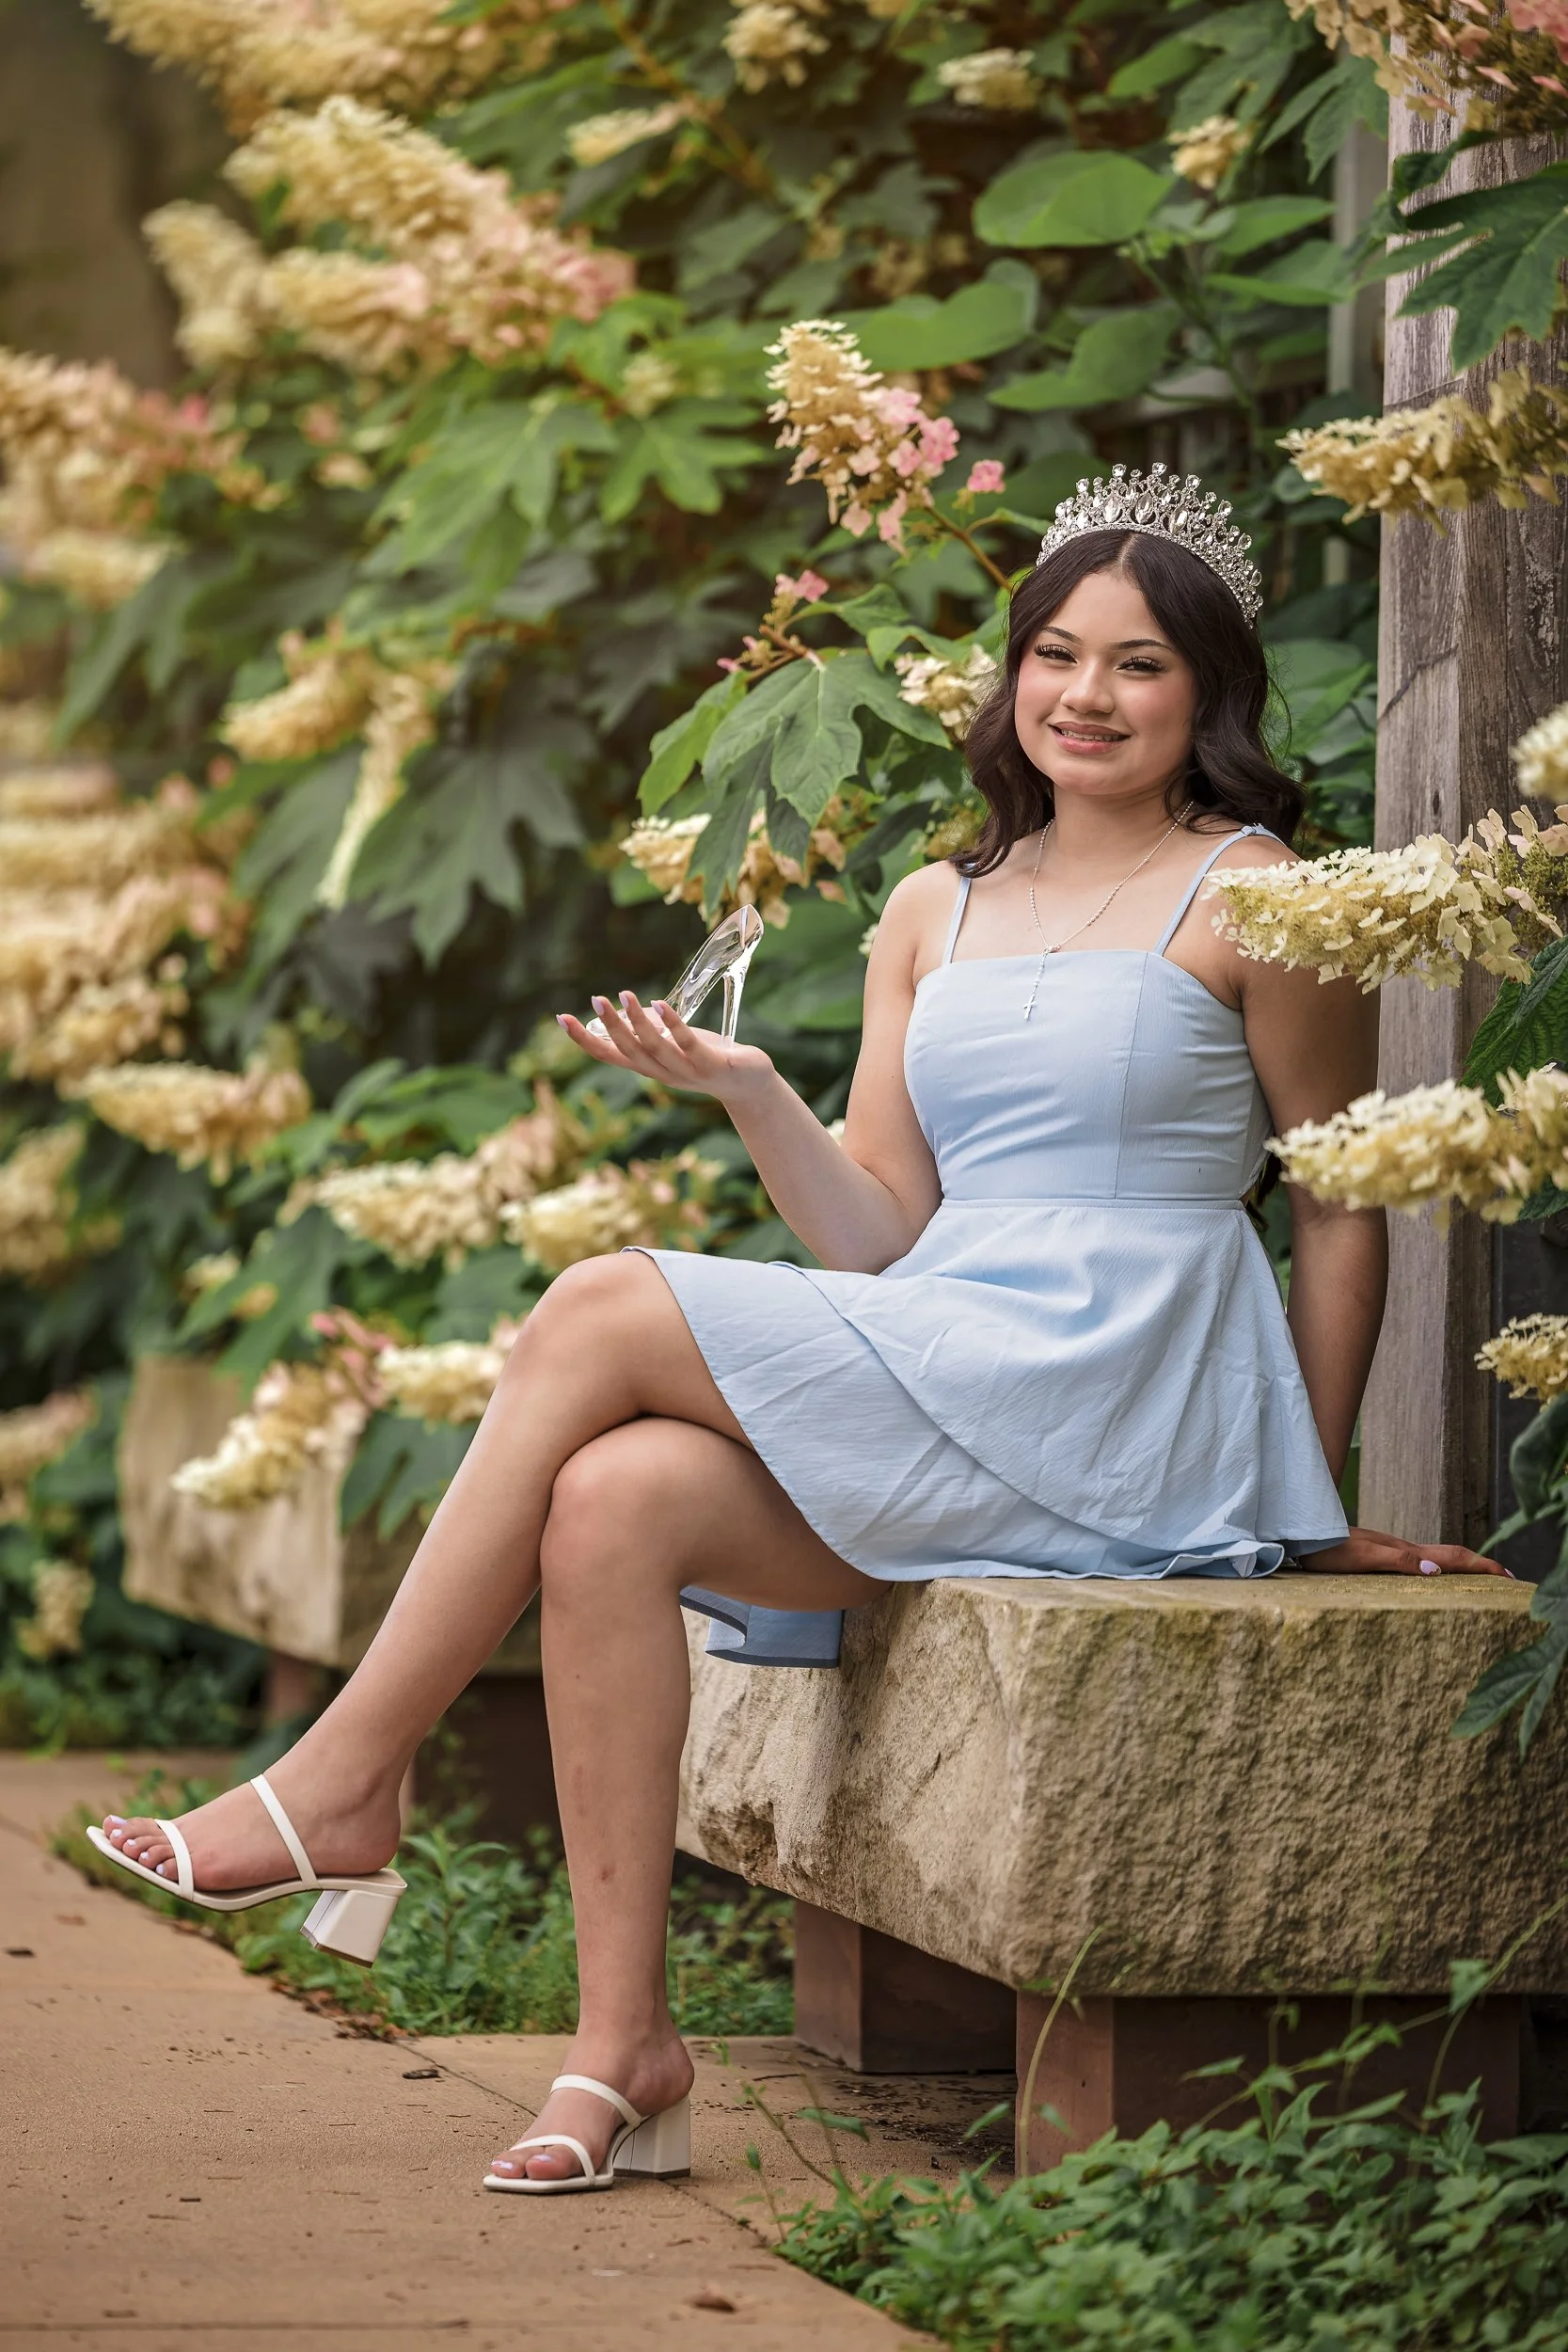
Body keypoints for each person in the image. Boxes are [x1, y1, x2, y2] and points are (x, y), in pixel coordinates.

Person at [96, 464, 1503, 2194]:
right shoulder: (934, 906)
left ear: (1205, 690)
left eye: (1135, 664)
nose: (1085, 695)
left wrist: (1303, 1495)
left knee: (602, 1298)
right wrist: (751, 1092)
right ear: (1010, 682)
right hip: (956, 1333)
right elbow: (884, 1230)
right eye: (1053, 654)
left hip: (1124, 1383)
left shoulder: (1261, 896)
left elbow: (1339, 1204)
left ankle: (341, 1782)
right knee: (616, 1501)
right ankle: (625, 2051)